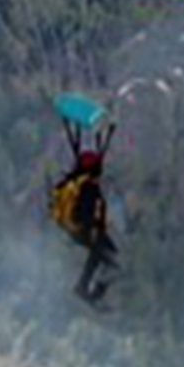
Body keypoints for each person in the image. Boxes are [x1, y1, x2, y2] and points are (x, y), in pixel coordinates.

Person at [49, 118, 119, 305]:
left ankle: (85, 288)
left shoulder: (79, 182)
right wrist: (92, 232)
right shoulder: (88, 186)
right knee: (111, 262)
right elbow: (86, 213)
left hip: (79, 229)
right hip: (85, 229)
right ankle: (89, 291)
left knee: (106, 256)